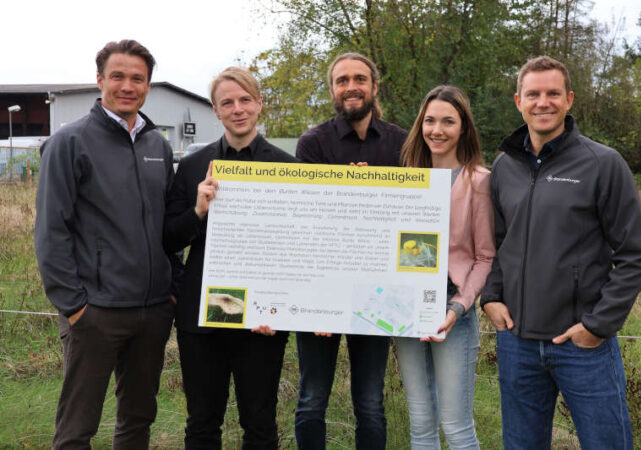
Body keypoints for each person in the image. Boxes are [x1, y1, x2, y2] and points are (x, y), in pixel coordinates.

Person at [481, 56, 641, 449]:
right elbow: (497, 242)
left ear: (569, 99)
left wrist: (597, 326)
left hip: (581, 345)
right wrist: (491, 297)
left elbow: (635, 255)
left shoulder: (603, 163)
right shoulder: (504, 167)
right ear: (518, 101)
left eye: (553, 93)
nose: (543, 102)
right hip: (517, 342)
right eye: (533, 94)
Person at [34, 40, 175, 449]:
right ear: (100, 80)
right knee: (77, 428)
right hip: (95, 313)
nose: (127, 86)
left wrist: (172, 289)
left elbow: (167, 225)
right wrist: (75, 306)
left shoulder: (157, 146)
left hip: (151, 311)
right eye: (118, 76)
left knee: (137, 421)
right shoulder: (70, 143)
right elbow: (50, 232)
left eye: (137, 78)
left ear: (148, 86)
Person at [164, 66, 296, 449]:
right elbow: (168, 238)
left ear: (259, 104)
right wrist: (198, 211)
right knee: (203, 423)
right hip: (202, 318)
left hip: (262, 320)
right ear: (215, 110)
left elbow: (297, 250)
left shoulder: (289, 168)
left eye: (244, 100)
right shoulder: (192, 167)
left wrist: (281, 309)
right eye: (227, 102)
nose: (237, 109)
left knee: (259, 423)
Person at [294, 52, 408, 450]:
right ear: (332, 90)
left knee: (371, 403)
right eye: (342, 80)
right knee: (311, 400)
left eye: (360, 79)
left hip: (377, 292)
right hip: (320, 293)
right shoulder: (312, 143)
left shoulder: (401, 143)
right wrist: (325, 301)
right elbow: (310, 225)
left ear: (375, 87)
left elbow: (409, 218)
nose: (351, 87)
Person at [395, 85, 494, 449]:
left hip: (453, 312)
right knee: (420, 422)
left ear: (463, 128)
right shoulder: (404, 178)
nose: (437, 130)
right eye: (430, 120)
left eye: (448, 121)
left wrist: (458, 307)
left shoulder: (479, 181)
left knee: (455, 427)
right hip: (406, 311)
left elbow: (485, 257)